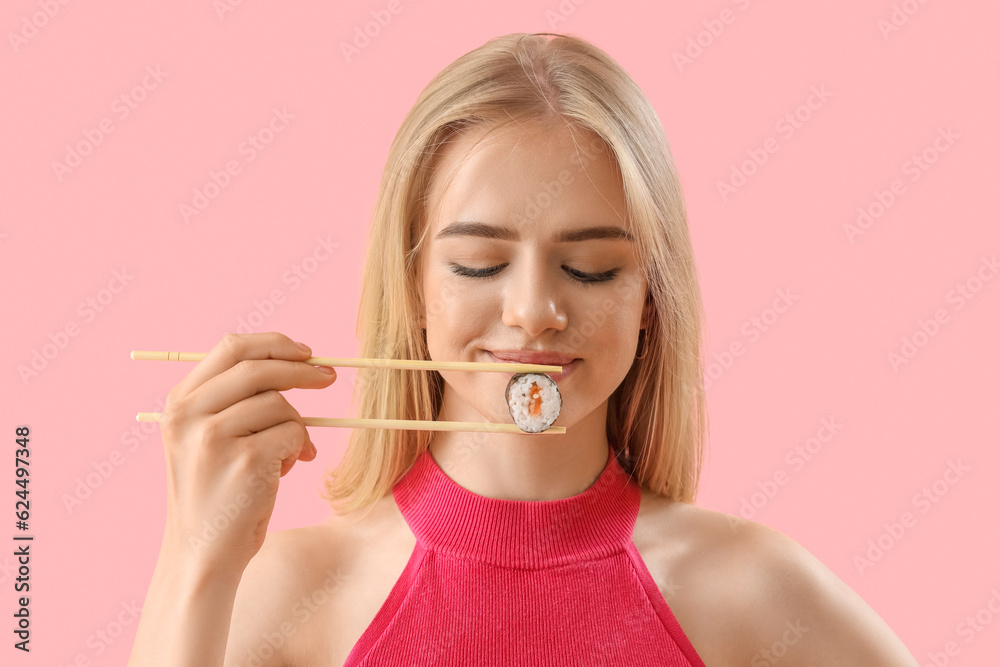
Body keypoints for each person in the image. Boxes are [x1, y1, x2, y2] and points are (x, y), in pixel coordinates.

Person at [128, 32, 919, 666]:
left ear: (650, 297)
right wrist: (196, 554)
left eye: (592, 267)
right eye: (479, 262)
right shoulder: (293, 595)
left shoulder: (751, 590)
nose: (535, 311)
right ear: (411, 285)